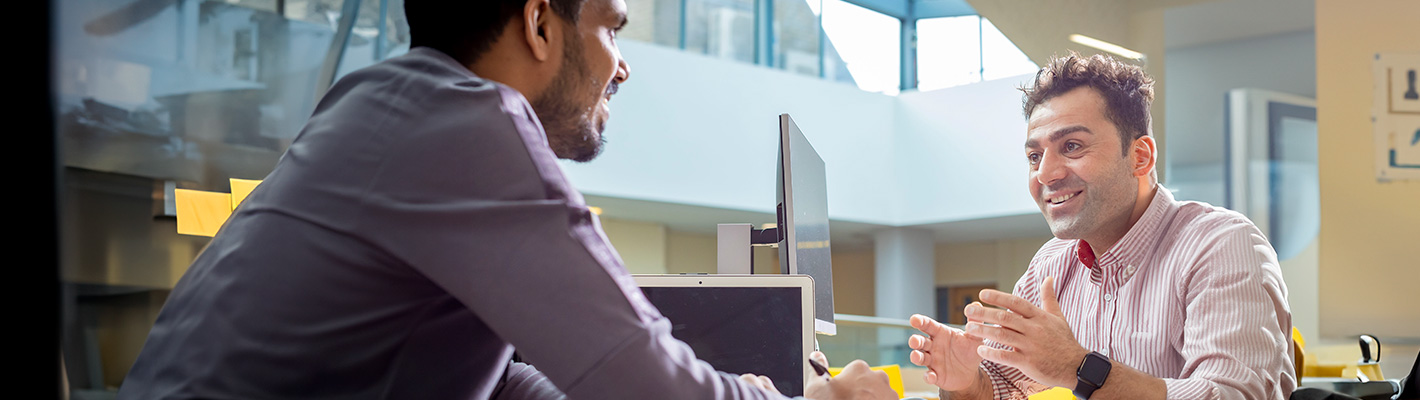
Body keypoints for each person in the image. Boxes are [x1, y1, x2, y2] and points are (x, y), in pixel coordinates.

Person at [115, 0, 896, 399]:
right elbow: (647, 385)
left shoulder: (383, 101)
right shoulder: (469, 124)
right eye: (612, 29)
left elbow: (502, 379)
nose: (620, 66)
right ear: (538, 22)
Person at [906, 53, 1296, 400]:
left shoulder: (1220, 244)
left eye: (1072, 146)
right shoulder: (1051, 266)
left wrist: (1079, 369)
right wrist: (964, 382)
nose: (1045, 174)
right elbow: (1003, 387)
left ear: (1139, 156)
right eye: (1034, 156)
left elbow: (1233, 394)